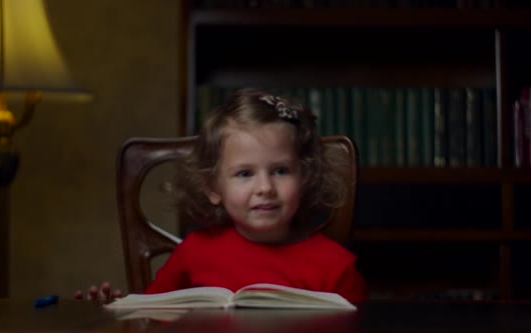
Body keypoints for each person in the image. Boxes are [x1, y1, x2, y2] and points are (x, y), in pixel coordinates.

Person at [77, 88, 366, 304]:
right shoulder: (194, 252)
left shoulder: (336, 266)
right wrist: (112, 313)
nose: (265, 187)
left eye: (280, 170)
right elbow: (150, 318)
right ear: (212, 188)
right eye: (244, 174)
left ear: (305, 177)